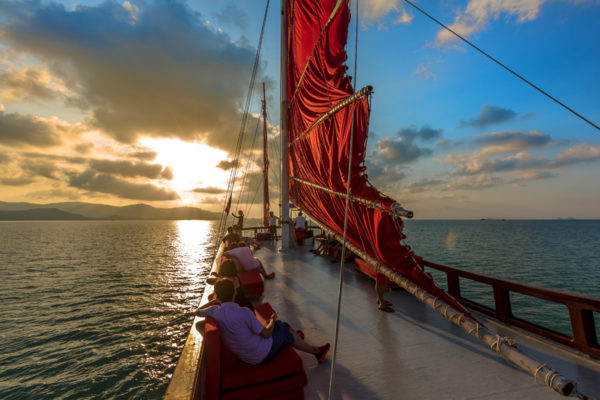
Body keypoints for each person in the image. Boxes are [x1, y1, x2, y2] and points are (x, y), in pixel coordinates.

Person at [197, 279, 330, 365]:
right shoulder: (243, 312)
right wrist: (271, 320)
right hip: (262, 354)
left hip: (246, 357)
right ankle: (316, 352)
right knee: (281, 325)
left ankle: (295, 338)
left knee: (282, 329)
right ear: (235, 293)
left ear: (218, 296)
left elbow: (197, 312)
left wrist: (215, 302)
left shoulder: (214, 311)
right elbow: (266, 334)